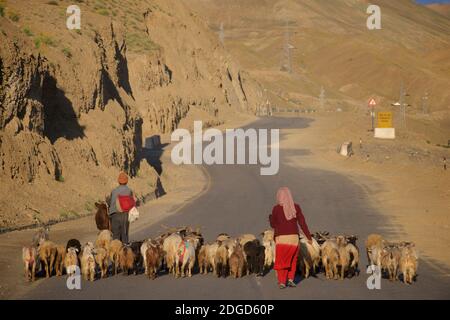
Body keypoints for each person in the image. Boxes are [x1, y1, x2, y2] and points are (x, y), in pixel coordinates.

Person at [269, 187, 312, 289]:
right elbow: (302, 223)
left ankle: (282, 281)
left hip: (282, 239)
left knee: (281, 260)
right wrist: (308, 237)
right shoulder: (296, 207)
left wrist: (270, 218)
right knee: (292, 259)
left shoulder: (276, 209)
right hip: (294, 238)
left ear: (279, 196)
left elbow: (274, 225)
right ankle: (291, 279)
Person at [109, 172, 135, 244]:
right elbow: (132, 203)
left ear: (118, 181)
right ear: (127, 181)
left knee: (116, 236)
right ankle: (125, 250)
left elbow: (110, 203)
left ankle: (116, 252)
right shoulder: (129, 191)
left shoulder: (114, 191)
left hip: (114, 215)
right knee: (124, 235)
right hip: (124, 215)